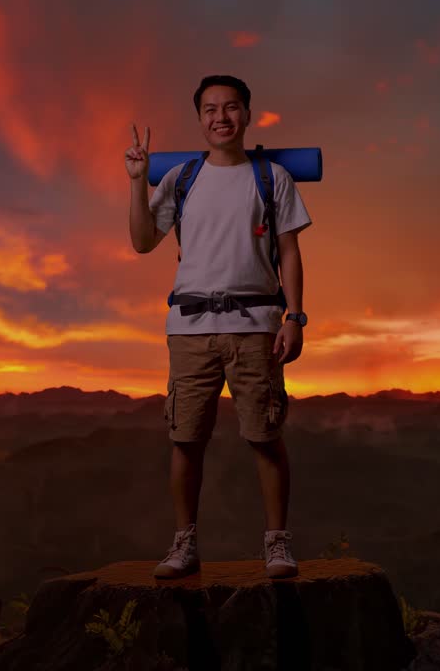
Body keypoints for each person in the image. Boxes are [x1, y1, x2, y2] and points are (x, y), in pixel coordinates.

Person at [125, 75, 312, 579]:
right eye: (210, 109)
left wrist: (295, 317)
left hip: (256, 325)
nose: (221, 117)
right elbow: (142, 242)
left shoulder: (271, 177)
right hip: (189, 328)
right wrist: (138, 181)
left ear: (248, 115)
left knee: (264, 435)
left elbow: (290, 252)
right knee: (186, 439)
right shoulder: (181, 178)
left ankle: (277, 543)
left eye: (231, 108)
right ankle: (184, 544)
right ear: (200, 119)